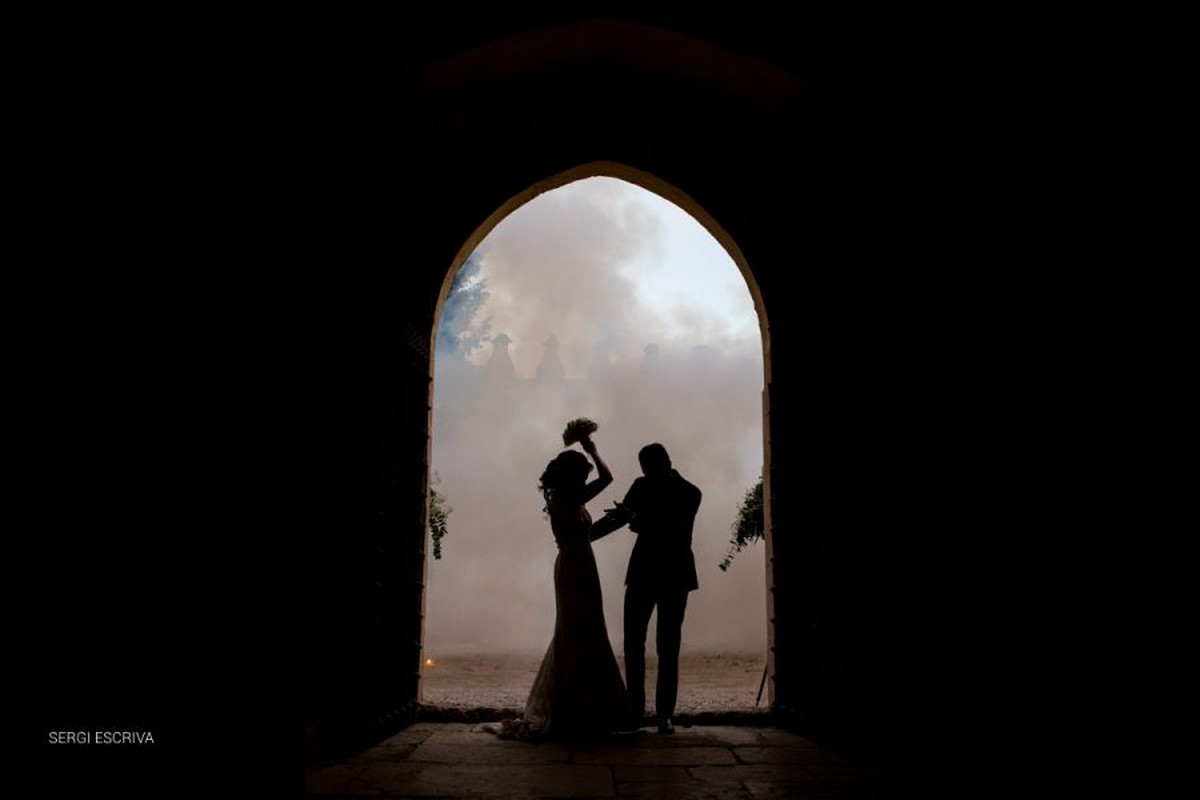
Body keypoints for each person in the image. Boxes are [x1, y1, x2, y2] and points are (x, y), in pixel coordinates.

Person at [484, 434, 629, 740]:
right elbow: (608, 478)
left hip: (582, 564)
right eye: (582, 474)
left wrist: (618, 521)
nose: (585, 479)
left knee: (586, 630)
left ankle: (585, 707)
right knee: (577, 631)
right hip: (574, 568)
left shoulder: (570, 500)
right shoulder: (565, 501)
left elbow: (588, 535)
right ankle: (574, 708)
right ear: (573, 477)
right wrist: (592, 449)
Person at [591, 443, 702, 734]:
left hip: (672, 574)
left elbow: (668, 528)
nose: (646, 473)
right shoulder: (643, 485)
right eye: (643, 468)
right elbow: (620, 517)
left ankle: (665, 714)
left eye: (649, 467)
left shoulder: (690, 493)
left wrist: (633, 518)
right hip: (645, 573)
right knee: (633, 643)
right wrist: (585, 535)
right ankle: (635, 711)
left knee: (668, 645)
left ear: (666, 462)